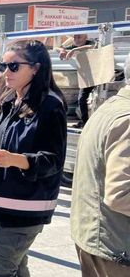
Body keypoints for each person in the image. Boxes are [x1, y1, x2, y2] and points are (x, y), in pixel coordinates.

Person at [0, 39, 67, 277]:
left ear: (35, 68)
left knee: (0, 269)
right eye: (3, 66)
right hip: (1, 201)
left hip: (27, 207)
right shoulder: (7, 101)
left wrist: (17, 159)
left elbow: (54, 160)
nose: (5, 72)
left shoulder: (50, 106)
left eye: (13, 66)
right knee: (16, 268)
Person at [71, 53, 130, 276]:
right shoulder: (127, 119)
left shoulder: (110, 107)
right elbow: (121, 194)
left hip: (99, 240)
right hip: (117, 249)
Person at [58, 34, 96, 127]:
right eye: (75, 37)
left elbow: (93, 46)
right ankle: (85, 122)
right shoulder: (74, 46)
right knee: (81, 99)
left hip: (96, 74)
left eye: (79, 37)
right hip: (87, 77)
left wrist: (74, 50)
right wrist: (62, 50)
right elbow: (57, 47)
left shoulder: (89, 43)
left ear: (86, 37)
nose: (76, 39)